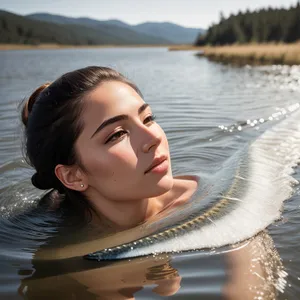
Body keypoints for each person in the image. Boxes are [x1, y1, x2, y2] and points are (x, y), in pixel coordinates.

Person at [21, 66, 198, 231]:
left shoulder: (206, 205)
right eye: (118, 134)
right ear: (73, 176)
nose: (155, 138)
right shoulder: (55, 250)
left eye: (148, 119)